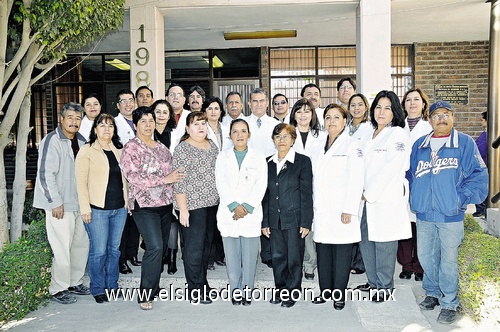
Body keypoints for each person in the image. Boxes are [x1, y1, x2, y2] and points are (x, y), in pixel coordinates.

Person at [410, 101, 488, 324]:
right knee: (426, 257)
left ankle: (449, 302)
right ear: (430, 119)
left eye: (446, 114)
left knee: (449, 261)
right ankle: (433, 292)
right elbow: (410, 174)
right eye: (436, 115)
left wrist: (460, 198)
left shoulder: (464, 143)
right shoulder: (420, 145)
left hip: (450, 214)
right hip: (424, 213)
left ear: (452, 118)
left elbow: (478, 174)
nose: (441, 118)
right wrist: (414, 196)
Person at [121, 106, 184, 310]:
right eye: (143, 122)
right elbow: (133, 177)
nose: (148, 125)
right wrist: (164, 179)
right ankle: (145, 294)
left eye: (150, 121)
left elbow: (174, 174)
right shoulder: (131, 148)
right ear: (136, 125)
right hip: (144, 205)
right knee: (155, 246)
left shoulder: (161, 148)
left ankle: (154, 287)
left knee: (162, 248)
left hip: (165, 205)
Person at [355, 90, 411, 303]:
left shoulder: (397, 134)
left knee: (384, 244)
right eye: (378, 106)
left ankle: (385, 287)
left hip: (384, 199)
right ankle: (373, 282)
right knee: (367, 241)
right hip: (365, 200)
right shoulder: (369, 133)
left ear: (394, 111)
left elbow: (391, 168)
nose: (381, 111)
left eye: (387, 107)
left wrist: (368, 194)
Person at [33, 102, 90, 304]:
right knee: (61, 247)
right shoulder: (52, 140)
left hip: (79, 204)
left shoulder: (83, 141)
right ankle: (58, 288)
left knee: (80, 245)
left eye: (78, 118)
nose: (74, 122)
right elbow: (45, 174)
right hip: (60, 205)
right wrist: (54, 202)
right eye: (71, 118)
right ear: (62, 119)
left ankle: (74, 282)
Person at [311, 104, 364, 310]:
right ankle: (325, 292)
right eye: (328, 117)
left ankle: (339, 294)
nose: (332, 121)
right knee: (323, 252)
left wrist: (349, 208)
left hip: (343, 210)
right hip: (322, 209)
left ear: (345, 121)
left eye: (336, 117)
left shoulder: (353, 145)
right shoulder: (317, 146)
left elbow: (356, 179)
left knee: (342, 254)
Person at [75, 113, 127, 304]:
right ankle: (97, 288)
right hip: (97, 210)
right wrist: (84, 208)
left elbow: (125, 180)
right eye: (102, 125)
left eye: (110, 126)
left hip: (119, 209)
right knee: (99, 251)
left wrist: (127, 202)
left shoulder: (119, 149)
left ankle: (112, 286)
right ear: (95, 129)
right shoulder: (87, 150)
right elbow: (80, 182)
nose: (107, 129)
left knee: (114, 250)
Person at [215, 119, 267, 306]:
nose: (239, 135)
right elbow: (221, 183)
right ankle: (235, 290)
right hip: (229, 213)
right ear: (230, 135)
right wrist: (234, 206)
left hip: (250, 214)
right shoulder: (222, 157)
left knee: (249, 257)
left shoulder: (259, 157)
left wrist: (245, 207)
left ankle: (247, 291)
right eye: (235, 131)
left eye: (243, 131)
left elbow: (261, 185)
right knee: (232, 258)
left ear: (249, 134)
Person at [262, 123, 313, 308]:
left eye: (286, 136)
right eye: (278, 136)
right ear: (273, 140)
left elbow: (306, 194)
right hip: (274, 219)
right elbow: (265, 195)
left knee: (294, 258)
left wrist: (306, 221)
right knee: (277, 257)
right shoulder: (267, 162)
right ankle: (280, 289)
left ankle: (293, 291)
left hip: (295, 218)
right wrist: (265, 220)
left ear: (293, 139)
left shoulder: (302, 161)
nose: (281, 140)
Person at [173, 111, 219, 304]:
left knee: (206, 248)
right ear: (187, 128)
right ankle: (195, 290)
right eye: (195, 124)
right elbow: (179, 181)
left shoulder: (212, 146)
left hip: (211, 205)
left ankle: (203, 284)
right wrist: (183, 209)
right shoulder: (182, 149)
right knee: (193, 249)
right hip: (191, 207)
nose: (201, 127)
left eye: (203, 123)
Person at [397, 88, 433, 282]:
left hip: (422, 180)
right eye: (408, 100)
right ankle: (406, 264)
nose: (412, 103)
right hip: (401, 182)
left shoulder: (429, 127)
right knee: (404, 225)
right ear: (403, 105)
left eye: (416, 100)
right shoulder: (397, 127)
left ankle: (419, 266)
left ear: (423, 104)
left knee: (420, 226)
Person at [289, 97, 326, 281]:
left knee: (311, 228)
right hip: (292, 189)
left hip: (316, 188)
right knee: (296, 228)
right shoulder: (288, 135)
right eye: (299, 111)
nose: (303, 115)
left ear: (312, 114)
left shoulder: (323, 136)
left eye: (307, 111)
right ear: (294, 115)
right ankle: (298, 263)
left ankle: (310, 264)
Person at [246, 88, 280, 268]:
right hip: (249, 174)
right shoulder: (243, 123)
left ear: (267, 103)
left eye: (261, 101)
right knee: (252, 211)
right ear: (249, 104)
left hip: (270, 171)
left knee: (269, 211)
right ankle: (250, 253)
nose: (258, 104)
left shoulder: (274, 124)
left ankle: (268, 253)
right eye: (254, 101)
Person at [152, 99, 180, 274]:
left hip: (173, 182)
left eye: (165, 112)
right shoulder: (147, 132)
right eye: (158, 111)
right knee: (157, 220)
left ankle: (172, 257)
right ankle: (160, 255)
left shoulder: (176, 133)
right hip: (153, 184)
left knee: (172, 220)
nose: (161, 115)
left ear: (170, 115)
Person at [114, 89, 140, 274]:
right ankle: (121, 259)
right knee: (123, 221)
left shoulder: (140, 120)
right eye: (124, 101)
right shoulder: (114, 124)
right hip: (122, 177)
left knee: (136, 219)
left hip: (139, 179)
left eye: (131, 100)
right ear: (118, 105)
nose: (128, 104)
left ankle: (132, 254)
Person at [346, 93, 372, 275]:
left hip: (363, 179)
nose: (356, 108)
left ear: (366, 107)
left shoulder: (370, 128)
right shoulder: (345, 127)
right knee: (350, 221)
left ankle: (361, 262)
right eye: (353, 105)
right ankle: (349, 260)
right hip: (346, 179)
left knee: (362, 222)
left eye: (360, 104)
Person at [202, 96, 228, 269]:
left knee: (222, 221)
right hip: (207, 181)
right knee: (209, 222)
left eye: (216, 108)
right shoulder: (200, 129)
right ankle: (209, 257)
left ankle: (221, 254)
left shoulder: (226, 129)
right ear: (205, 111)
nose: (213, 111)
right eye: (210, 108)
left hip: (224, 179)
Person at [473, 111, 488, 217]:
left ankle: (481, 209)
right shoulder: (485, 133)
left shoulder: (489, 134)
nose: (481, 122)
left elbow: (481, 149)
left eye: (482, 120)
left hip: (484, 165)